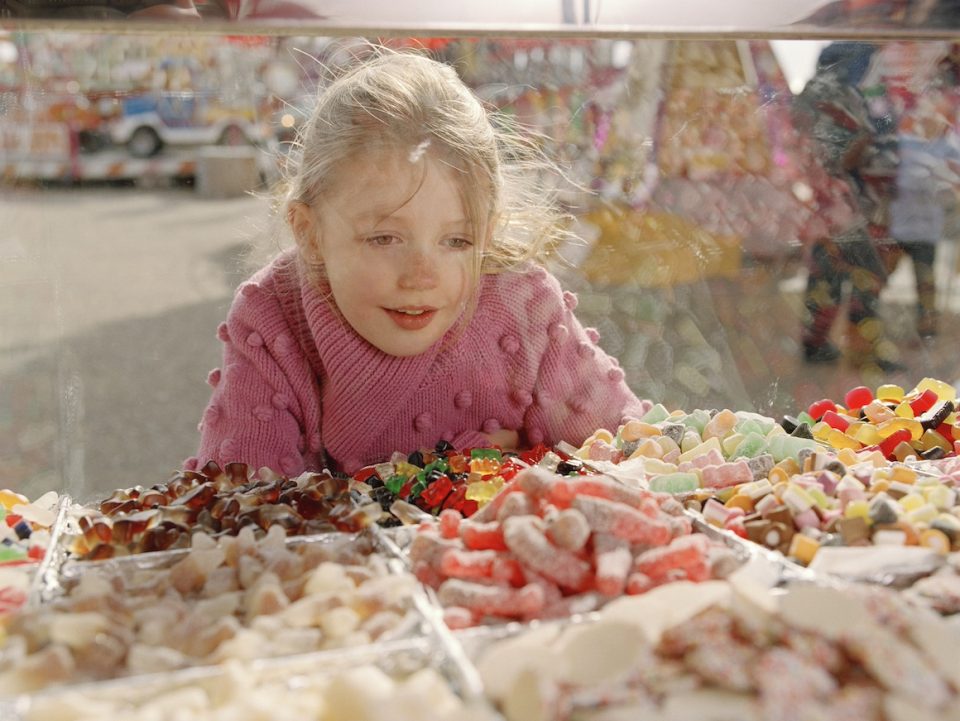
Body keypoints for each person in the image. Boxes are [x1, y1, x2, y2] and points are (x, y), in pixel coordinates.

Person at [186, 49, 650, 477]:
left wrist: (525, 469)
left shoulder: (525, 307)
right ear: (309, 234)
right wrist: (455, 470)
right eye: (385, 237)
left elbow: (632, 456)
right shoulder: (273, 318)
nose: (422, 277)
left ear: (488, 233)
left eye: (457, 240)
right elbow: (240, 511)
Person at [793, 41, 903, 372]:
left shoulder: (828, 95)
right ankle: (858, 349)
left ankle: (818, 344)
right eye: (868, 62)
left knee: (830, 277)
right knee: (863, 276)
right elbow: (834, 158)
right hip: (843, 209)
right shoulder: (831, 98)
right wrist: (867, 140)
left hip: (840, 208)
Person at [890, 97, 960, 339]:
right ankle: (871, 324)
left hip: (926, 230)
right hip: (897, 226)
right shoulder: (904, 143)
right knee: (879, 277)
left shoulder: (951, 149)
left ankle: (927, 327)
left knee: (925, 282)